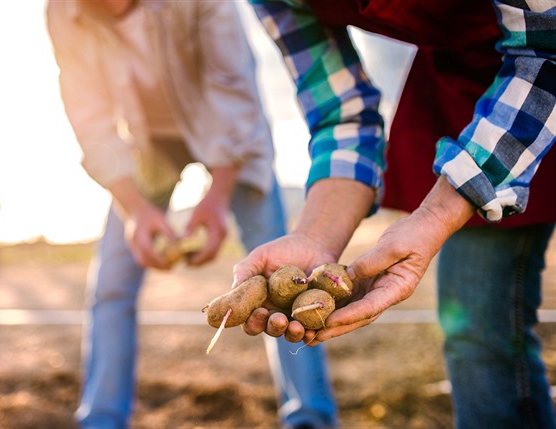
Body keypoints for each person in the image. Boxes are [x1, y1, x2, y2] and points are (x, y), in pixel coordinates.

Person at [234, 1, 556, 428]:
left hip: (536, 75)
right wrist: (315, 236)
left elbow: (546, 48)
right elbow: (342, 112)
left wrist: (438, 214)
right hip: (477, 94)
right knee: (478, 324)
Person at [46, 1, 338, 428]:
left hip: (231, 138)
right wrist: (136, 210)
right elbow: (90, 121)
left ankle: (310, 417)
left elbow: (233, 89)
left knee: (284, 277)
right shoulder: (63, 12)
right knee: (111, 283)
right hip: (148, 144)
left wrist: (217, 197)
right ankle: (101, 420)